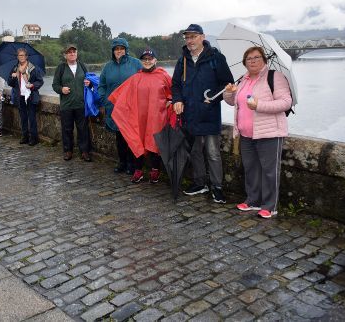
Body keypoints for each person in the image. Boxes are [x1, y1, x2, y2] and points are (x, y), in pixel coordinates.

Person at [223, 47, 292, 218]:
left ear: (264, 60)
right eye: (248, 58)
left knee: (269, 171)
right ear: (244, 62)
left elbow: (285, 102)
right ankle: (253, 200)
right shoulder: (243, 80)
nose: (252, 61)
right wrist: (229, 93)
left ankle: (270, 206)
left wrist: (259, 105)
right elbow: (234, 103)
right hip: (246, 134)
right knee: (251, 169)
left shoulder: (274, 77)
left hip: (269, 133)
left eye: (256, 57)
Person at [172, 24, 234, 203]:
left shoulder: (216, 58)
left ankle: (217, 187)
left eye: (193, 37)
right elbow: (175, 84)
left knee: (213, 152)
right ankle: (200, 183)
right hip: (189, 114)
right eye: (187, 37)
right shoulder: (182, 60)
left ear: (202, 37)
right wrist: (177, 100)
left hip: (209, 113)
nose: (189, 41)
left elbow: (227, 83)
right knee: (195, 151)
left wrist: (213, 98)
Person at [109, 49, 173, 183]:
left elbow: (174, 92)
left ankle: (155, 170)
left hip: (156, 117)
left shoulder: (163, 76)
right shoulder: (136, 77)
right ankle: (138, 170)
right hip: (139, 117)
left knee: (155, 143)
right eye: (145, 59)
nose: (147, 61)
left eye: (150, 59)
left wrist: (170, 100)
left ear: (155, 60)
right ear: (141, 61)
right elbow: (121, 95)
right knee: (137, 142)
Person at [98, 37, 142, 174]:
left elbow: (144, 81)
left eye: (121, 48)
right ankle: (122, 162)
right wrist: (105, 100)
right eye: (116, 49)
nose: (119, 51)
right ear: (113, 51)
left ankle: (132, 164)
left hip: (131, 107)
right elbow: (102, 85)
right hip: (114, 108)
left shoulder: (136, 64)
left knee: (131, 136)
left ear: (126, 50)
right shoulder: (107, 67)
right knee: (119, 137)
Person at [52, 44, 91, 162]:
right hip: (67, 105)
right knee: (67, 129)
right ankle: (68, 151)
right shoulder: (61, 68)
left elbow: (91, 80)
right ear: (65, 55)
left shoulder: (83, 66)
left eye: (74, 52)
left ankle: (84, 152)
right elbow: (55, 85)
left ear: (77, 54)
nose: (72, 54)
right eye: (69, 52)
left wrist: (89, 83)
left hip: (81, 104)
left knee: (83, 129)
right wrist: (61, 89)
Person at [7, 48, 44, 146]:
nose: (21, 57)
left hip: (30, 96)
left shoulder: (32, 68)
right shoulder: (15, 68)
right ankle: (25, 136)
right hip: (20, 96)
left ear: (26, 56)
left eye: (23, 55)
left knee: (31, 117)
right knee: (23, 117)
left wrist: (32, 85)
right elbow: (9, 83)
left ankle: (34, 138)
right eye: (19, 55)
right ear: (17, 57)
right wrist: (12, 76)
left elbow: (40, 82)